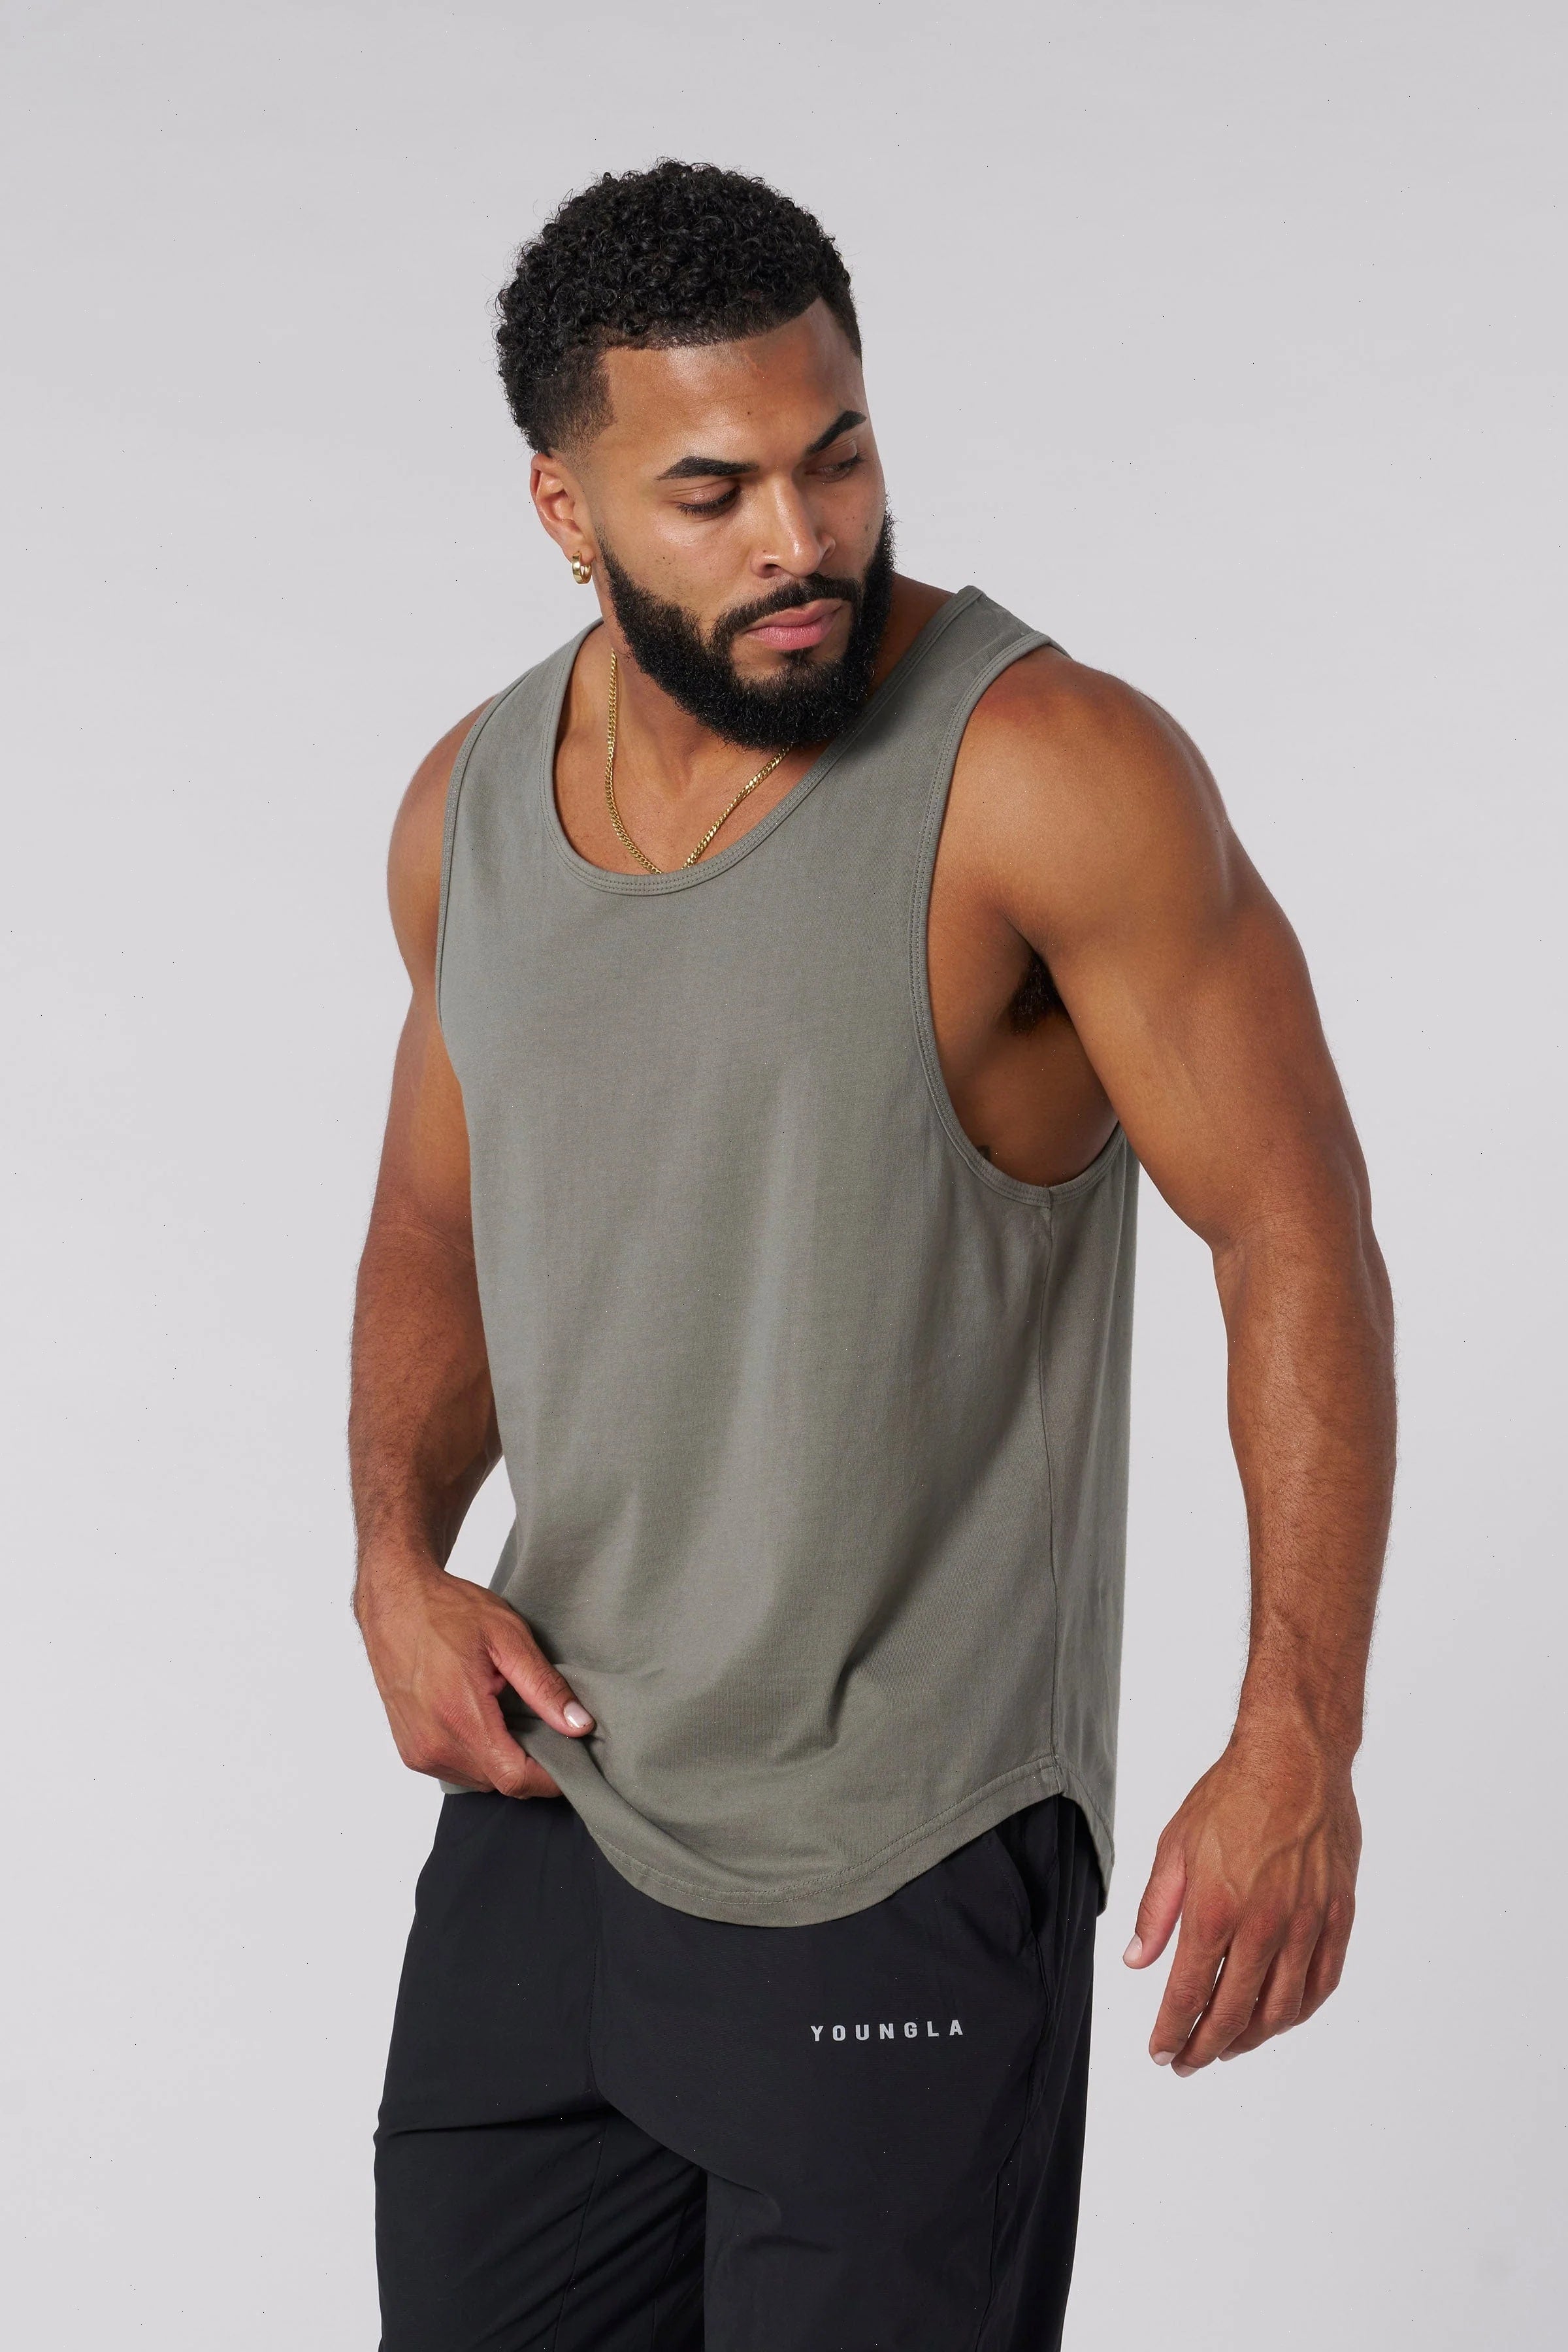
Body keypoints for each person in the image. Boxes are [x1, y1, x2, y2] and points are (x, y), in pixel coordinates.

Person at [349, 160, 1394, 2352]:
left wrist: (1297, 1734)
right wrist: (393, 1557)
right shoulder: (466, 810)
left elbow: (1293, 1230)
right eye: (712, 491)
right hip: (552, 1822)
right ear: (564, 508)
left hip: (902, 1858)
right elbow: (441, 1219)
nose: (802, 538)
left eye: (836, 458)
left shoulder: (1051, 772)